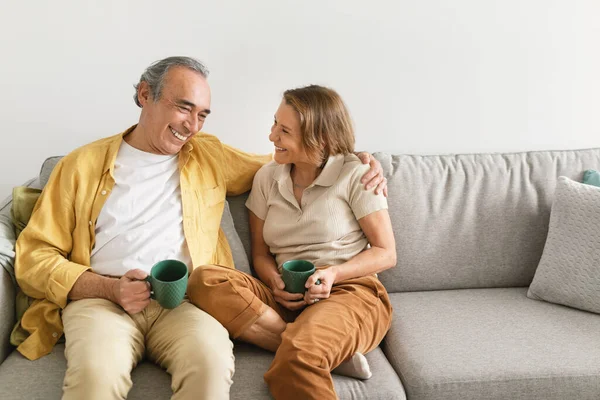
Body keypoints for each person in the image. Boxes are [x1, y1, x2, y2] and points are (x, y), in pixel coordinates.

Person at [14, 57, 387, 400]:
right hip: (102, 301)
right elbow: (34, 258)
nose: (191, 126)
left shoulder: (207, 154)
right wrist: (110, 288)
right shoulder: (80, 165)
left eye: (203, 115)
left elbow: (293, 159)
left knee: (210, 369)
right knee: (95, 378)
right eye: (183, 107)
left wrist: (356, 160)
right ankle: (308, 349)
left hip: (185, 302)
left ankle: (307, 351)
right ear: (145, 95)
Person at [188, 84, 396, 400]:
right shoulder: (268, 177)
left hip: (349, 292)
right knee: (205, 280)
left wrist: (332, 275)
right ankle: (320, 350)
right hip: (285, 298)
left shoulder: (358, 174)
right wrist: (274, 283)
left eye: (284, 131)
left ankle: (309, 349)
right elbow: (260, 254)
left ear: (320, 139)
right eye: (275, 123)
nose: (272, 136)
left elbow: (386, 253)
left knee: (297, 360)